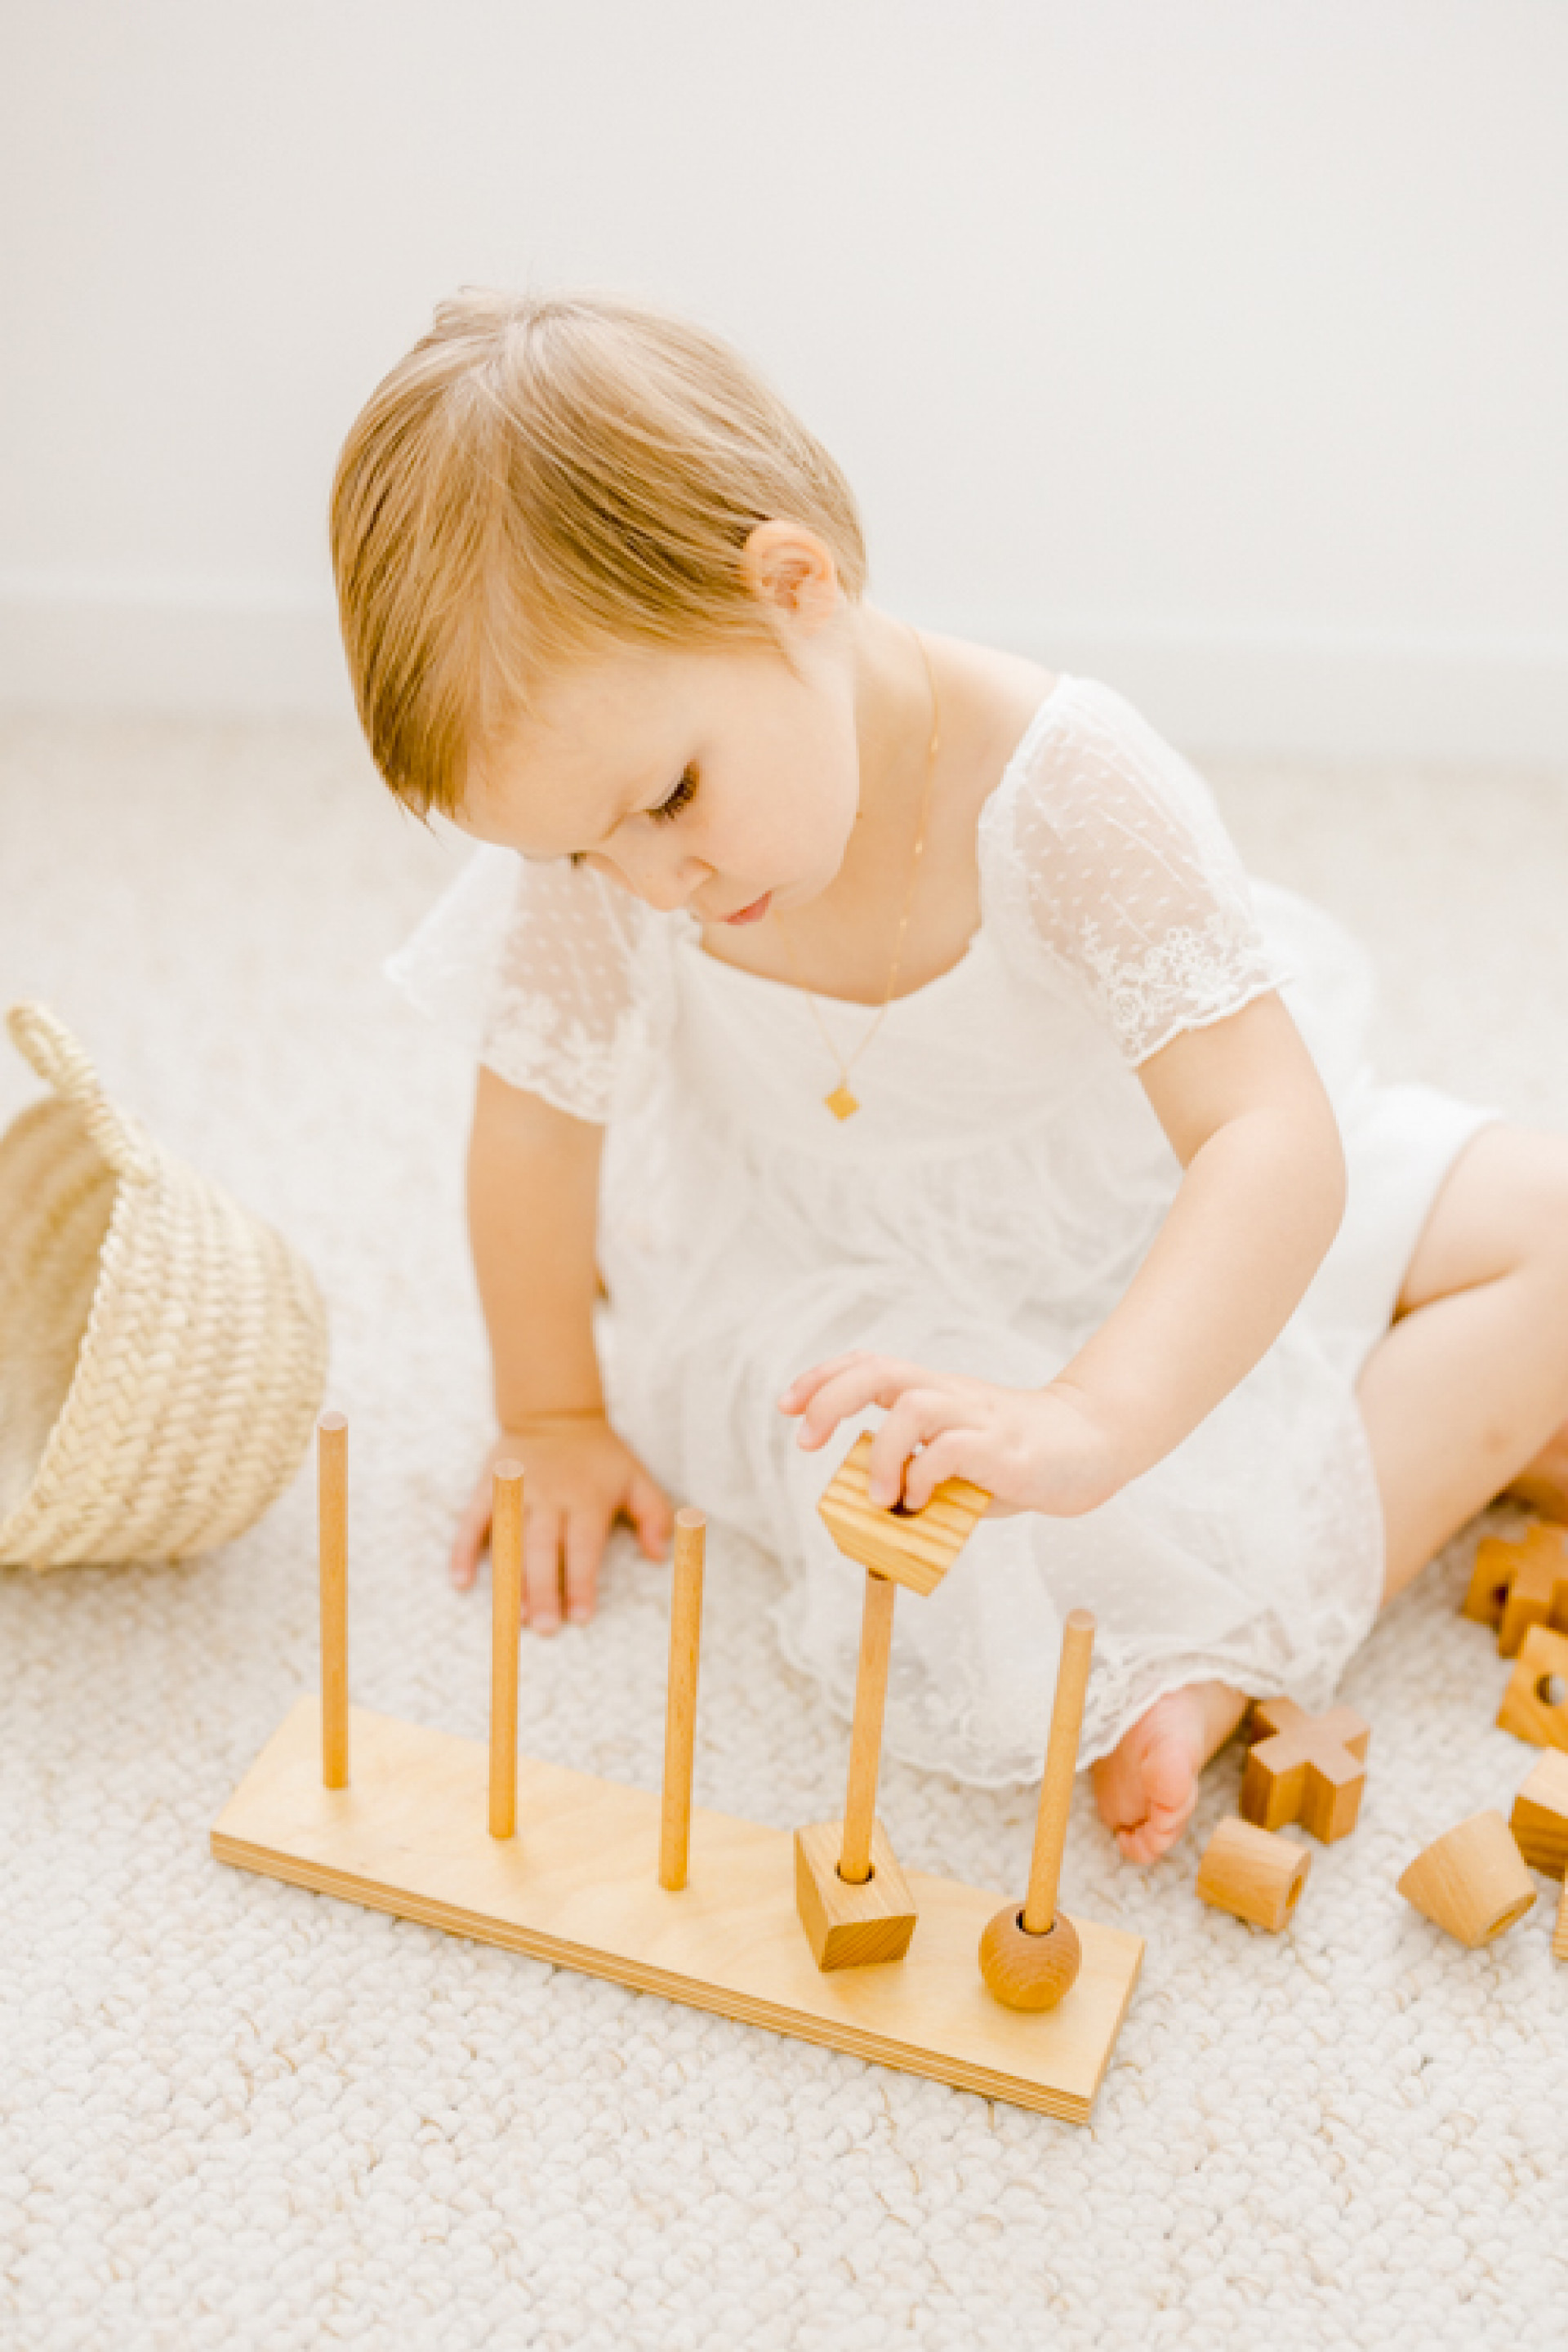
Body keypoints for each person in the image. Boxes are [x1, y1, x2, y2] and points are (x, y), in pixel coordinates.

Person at [330, 288, 1568, 1864]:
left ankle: (1251, 1589)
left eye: (673, 801)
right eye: (584, 848)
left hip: (1133, 1188)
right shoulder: (608, 848)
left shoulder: (1069, 784)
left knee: (1555, 1229)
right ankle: (1210, 1656)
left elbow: (1270, 1137)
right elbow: (532, 1121)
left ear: (795, 588)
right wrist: (554, 1411)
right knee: (938, 1544)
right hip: (842, 1279)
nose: (653, 885)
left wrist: (1097, 1416)